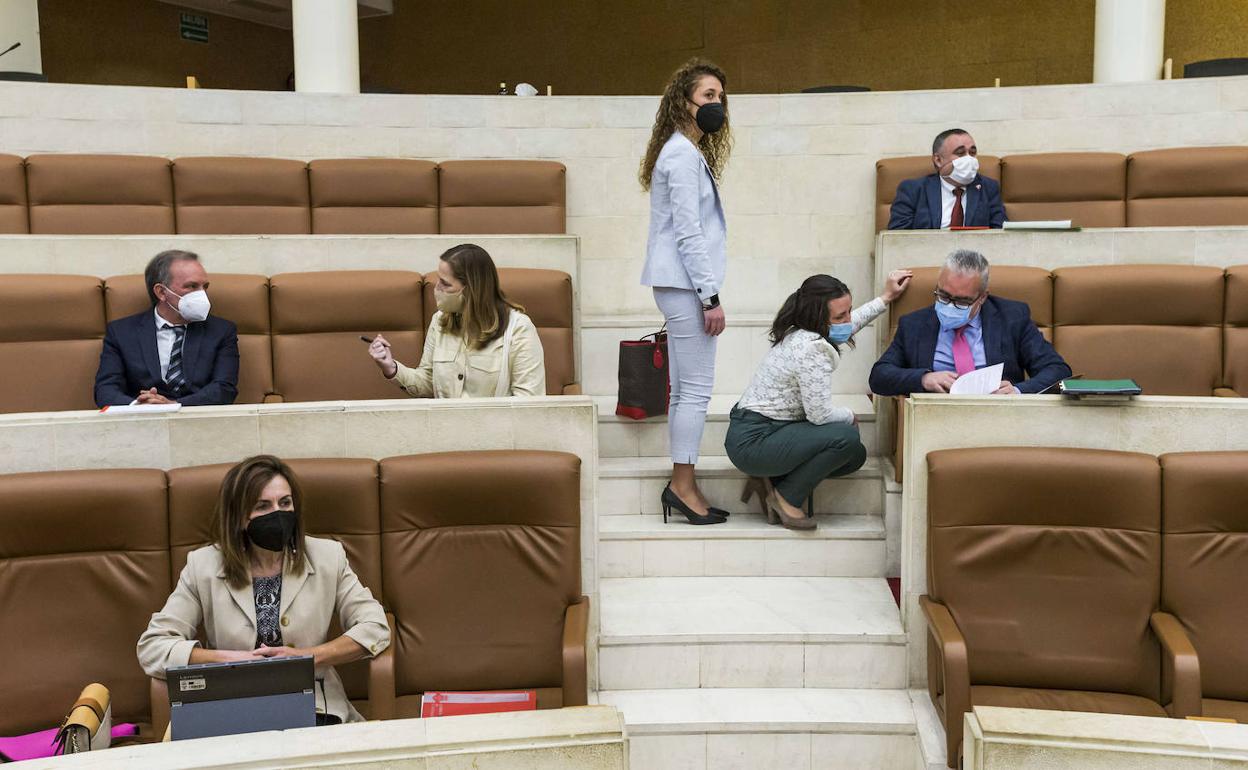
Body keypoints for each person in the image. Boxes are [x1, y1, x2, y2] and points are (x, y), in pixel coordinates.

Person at [137, 455, 389, 726]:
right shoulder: (203, 566)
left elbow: (375, 627)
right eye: (262, 506)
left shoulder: (328, 556)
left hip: (314, 706)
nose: (278, 514)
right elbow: (153, 647)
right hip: (231, 707)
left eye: (285, 503)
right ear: (239, 517)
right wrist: (231, 661)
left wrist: (307, 657)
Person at [726, 271, 913, 530]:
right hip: (754, 440)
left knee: (854, 455)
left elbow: (849, 322)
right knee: (845, 439)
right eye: (840, 316)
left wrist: (886, 298)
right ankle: (785, 497)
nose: (847, 320)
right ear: (817, 318)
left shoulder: (806, 331)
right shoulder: (810, 348)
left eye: (848, 311)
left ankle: (774, 478)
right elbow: (820, 415)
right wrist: (849, 416)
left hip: (765, 430)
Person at [638, 58, 733, 525]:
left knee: (684, 394)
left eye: (720, 97)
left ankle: (683, 483)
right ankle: (682, 485)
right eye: (709, 96)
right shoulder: (679, 154)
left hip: (678, 285)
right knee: (695, 392)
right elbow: (688, 234)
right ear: (685, 102)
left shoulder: (684, 152)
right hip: (685, 285)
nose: (718, 105)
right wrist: (710, 297)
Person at [869, 249, 1071, 396]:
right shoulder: (914, 324)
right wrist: (923, 379)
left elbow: (1057, 370)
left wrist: (1018, 390)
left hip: (999, 416)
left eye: (962, 300)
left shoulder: (1012, 317)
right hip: (936, 417)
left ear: (982, 297)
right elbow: (879, 376)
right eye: (944, 295)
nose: (949, 305)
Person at [367, 243, 546, 397]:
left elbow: (529, 404)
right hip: (445, 431)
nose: (436, 289)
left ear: (471, 290)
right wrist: (391, 367)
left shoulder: (518, 328)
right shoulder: (439, 322)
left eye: (445, 284)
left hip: (497, 434)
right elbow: (428, 382)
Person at [94, 249, 239, 407]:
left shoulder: (222, 331)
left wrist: (174, 404)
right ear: (161, 292)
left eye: (205, 287)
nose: (202, 294)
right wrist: (139, 406)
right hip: (140, 423)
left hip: (197, 420)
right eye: (191, 286)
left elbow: (224, 388)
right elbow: (105, 389)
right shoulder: (121, 332)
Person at [887, 128, 1006, 230]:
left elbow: (1000, 232)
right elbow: (897, 237)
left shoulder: (988, 187)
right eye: (960, 153)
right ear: (938, 160)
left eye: (972, 152)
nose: (969, 159)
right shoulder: (912, 190)